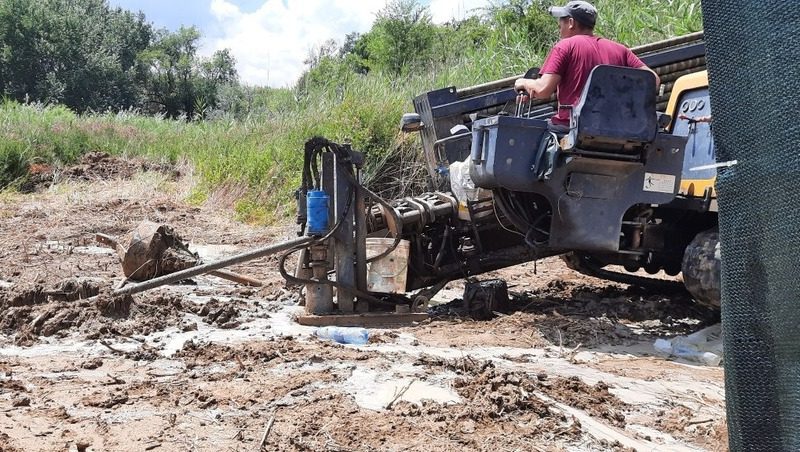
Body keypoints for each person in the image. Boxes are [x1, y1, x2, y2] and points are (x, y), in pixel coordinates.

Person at [514, 0, 661, 134]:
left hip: (573, 129)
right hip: (616, 129)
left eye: (561, 20)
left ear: (571, 22)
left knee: (528, 135)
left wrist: (522, 83)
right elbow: (653, 80)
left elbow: (543, 90)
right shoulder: (621, 50)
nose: (559, 24)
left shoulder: (565, 47)